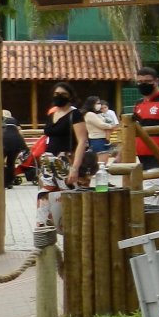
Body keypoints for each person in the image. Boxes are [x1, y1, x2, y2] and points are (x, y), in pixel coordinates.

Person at [38, 81, 92, 224]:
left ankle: (73, 232)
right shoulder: (52, 114)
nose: (59, 97)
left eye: (63, 94)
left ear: (70, 96)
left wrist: (75, 167)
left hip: (65, 161)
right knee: (44, 197)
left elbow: (81, 141)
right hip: (48, 161)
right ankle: (44, 235)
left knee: (67, 197)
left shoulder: (75, 115)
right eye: (56, 94)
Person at [83, 95, 114, 163]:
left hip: (103, 139)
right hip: (97, 140)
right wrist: (111, 126)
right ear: (91, 104)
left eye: (99, 103)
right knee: (101, 163)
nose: (99, 105)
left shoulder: (98, 114)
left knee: (105, 161)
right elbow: (101, 125)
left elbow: (108, 121)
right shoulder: (89, 114)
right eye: (97, 103)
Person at [1, 110, 26, 188]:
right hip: (16, 142)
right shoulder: (15, 120)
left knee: (0, 163)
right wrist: (23, 144)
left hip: (4, 142)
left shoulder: (1, 120)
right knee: (11, 163)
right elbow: (20, 132)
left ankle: (2, 181)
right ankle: (9, 182)